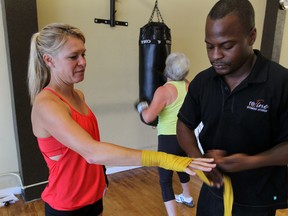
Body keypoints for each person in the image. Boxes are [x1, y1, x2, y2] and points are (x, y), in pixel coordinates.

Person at [27, 23, 216, 216]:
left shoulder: (79, 96)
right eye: (73, 56)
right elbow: (91, 151)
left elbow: (89, 147)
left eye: (84, 54)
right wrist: (166, 159)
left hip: (93, 197)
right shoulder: (47, 105)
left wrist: (101, 180)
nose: (83, 62)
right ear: (49, 60)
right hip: (66, 204)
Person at [176, 0, 288, 216]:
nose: (215, 55)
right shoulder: (203, 82)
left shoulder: (280, 82)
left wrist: (251, 161)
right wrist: (199, 160)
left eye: (226, 46)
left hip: (257, 200)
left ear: (251, 36)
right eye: (209, 46)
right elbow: (184, 124)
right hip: (213, 193)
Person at [136, 52, 193, 216]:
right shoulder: (189, 86)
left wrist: (141, 107)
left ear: (167, 69)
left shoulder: (163, 91)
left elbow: (148, 117)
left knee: (165, 179)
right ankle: (187, 197)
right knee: (182, 167)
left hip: (168, 139)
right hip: (185, 137)